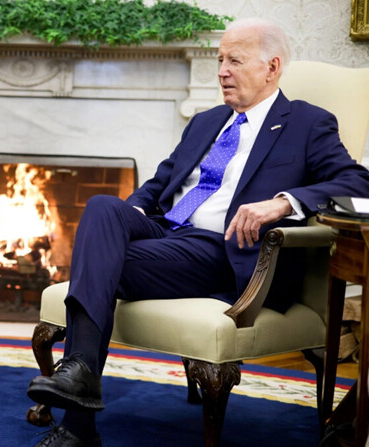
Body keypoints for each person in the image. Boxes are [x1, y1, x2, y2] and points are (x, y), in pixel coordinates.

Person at [26, 18, 369, 447]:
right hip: (167, 234)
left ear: (272, 67)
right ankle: (81, 375)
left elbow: (358, 183)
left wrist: (284, 202)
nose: (222, 70)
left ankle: (77, 423)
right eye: (220, 59)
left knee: (98, 263)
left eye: (235, 61)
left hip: (223, 251)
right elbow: (160, 184)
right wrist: (123, 222)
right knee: (102, 208)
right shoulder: (207, 121)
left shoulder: (306, 123)